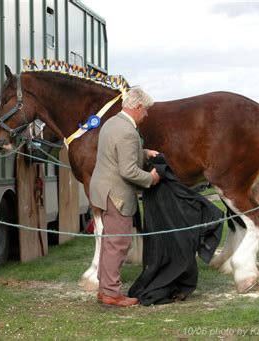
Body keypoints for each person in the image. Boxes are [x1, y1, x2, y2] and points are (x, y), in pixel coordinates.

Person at [89, 87, 160, 307]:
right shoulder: (128, 131)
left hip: (103, 190)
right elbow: (128, 170)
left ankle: (105, 289)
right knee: (118, 242)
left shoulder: (112, 123)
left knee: (110, 241)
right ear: (137, 107)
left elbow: (117, 149)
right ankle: (111, 293)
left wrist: (144, 151)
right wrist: (151, 178)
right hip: (117, 194)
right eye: (145, 110)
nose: (147, 115)